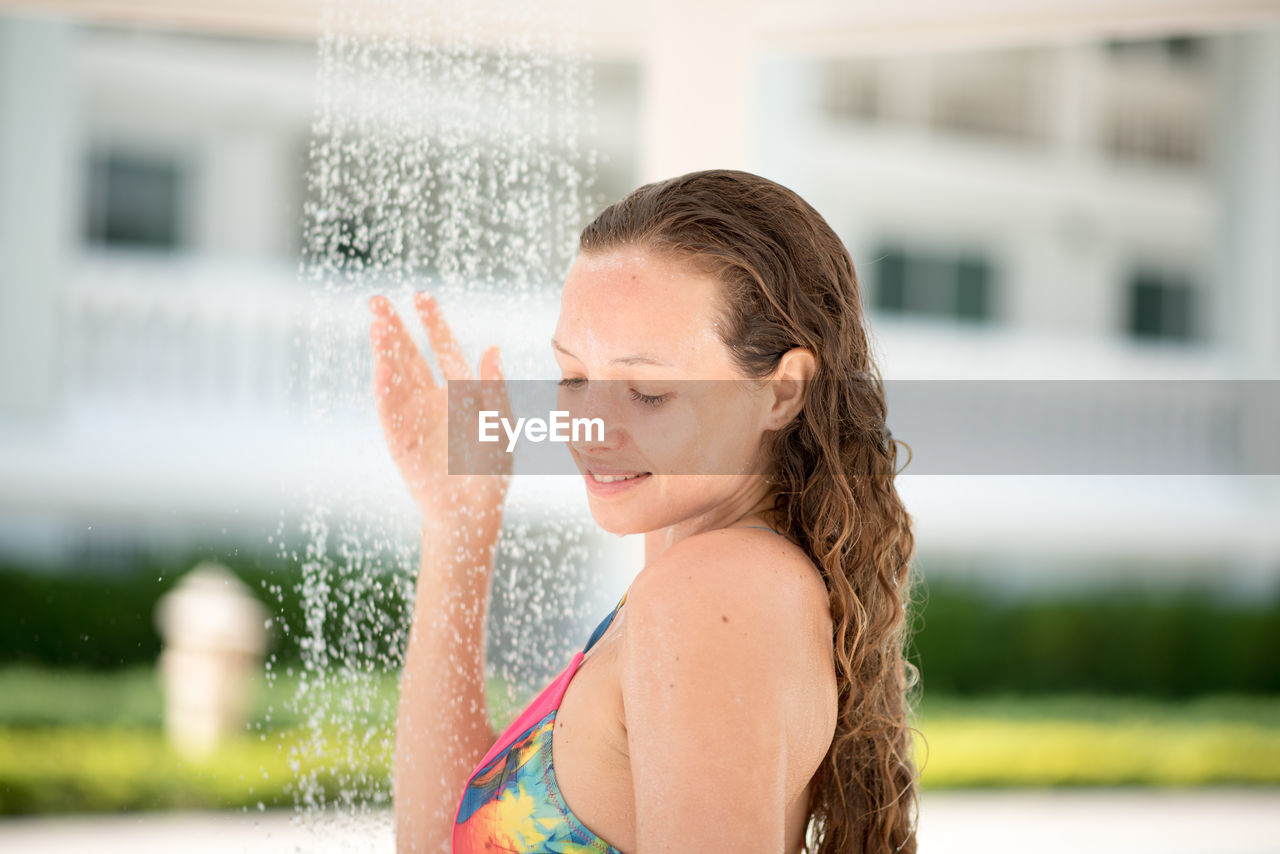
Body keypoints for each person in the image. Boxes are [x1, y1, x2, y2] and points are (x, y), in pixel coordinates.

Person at [368, 169, 920, 854]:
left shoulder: (710, 591)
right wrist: (459, 523)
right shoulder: (706, 583)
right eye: (574, 378)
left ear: (782, 392)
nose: (591, 426)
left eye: (649, 391)